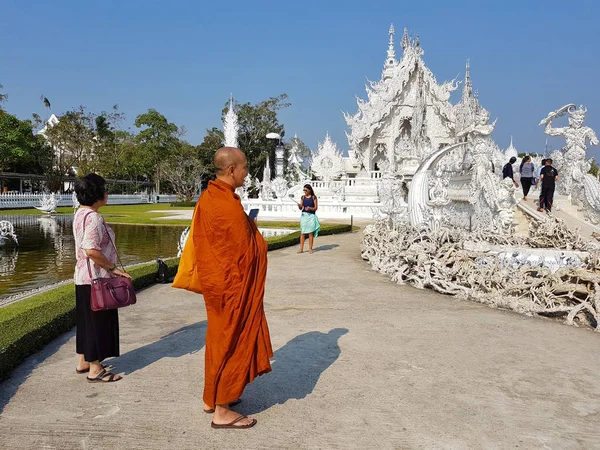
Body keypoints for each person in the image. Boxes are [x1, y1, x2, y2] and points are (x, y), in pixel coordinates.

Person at [173, 147, 273, 430]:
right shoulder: (227, 205)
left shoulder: (209, 197)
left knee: (218, 340)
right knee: (232, 340)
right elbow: (247, 253)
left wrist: (247, 227)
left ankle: (211, 397)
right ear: (231, 171)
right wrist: (253, 233)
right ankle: (222, 409)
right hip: (232, 288)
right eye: (244, 168)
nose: (247, 172)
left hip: (216, 286)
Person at [73, 173, 131, 383]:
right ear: (97, 193)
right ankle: (95, 369)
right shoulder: (94, 218)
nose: (107, 193)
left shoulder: (81, 213)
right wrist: (113, 268)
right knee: (98, 323)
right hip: (96, 278)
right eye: (105, 189)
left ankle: (84, 361)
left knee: (86, 322)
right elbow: (91, 249)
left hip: (82, 277)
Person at [297, 184, 320, 254]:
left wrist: (310, 208)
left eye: (306, 190)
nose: (305, 191)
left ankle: (310, 249)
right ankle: (301, 249)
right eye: (304, 190)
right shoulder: (303, 197)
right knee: (302, 232)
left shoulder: (314, 197)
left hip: (311, 216)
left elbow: (316, 208)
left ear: (310, 190)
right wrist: (299, 206)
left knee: (310, 233)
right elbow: (301, 207)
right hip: (304, 216)